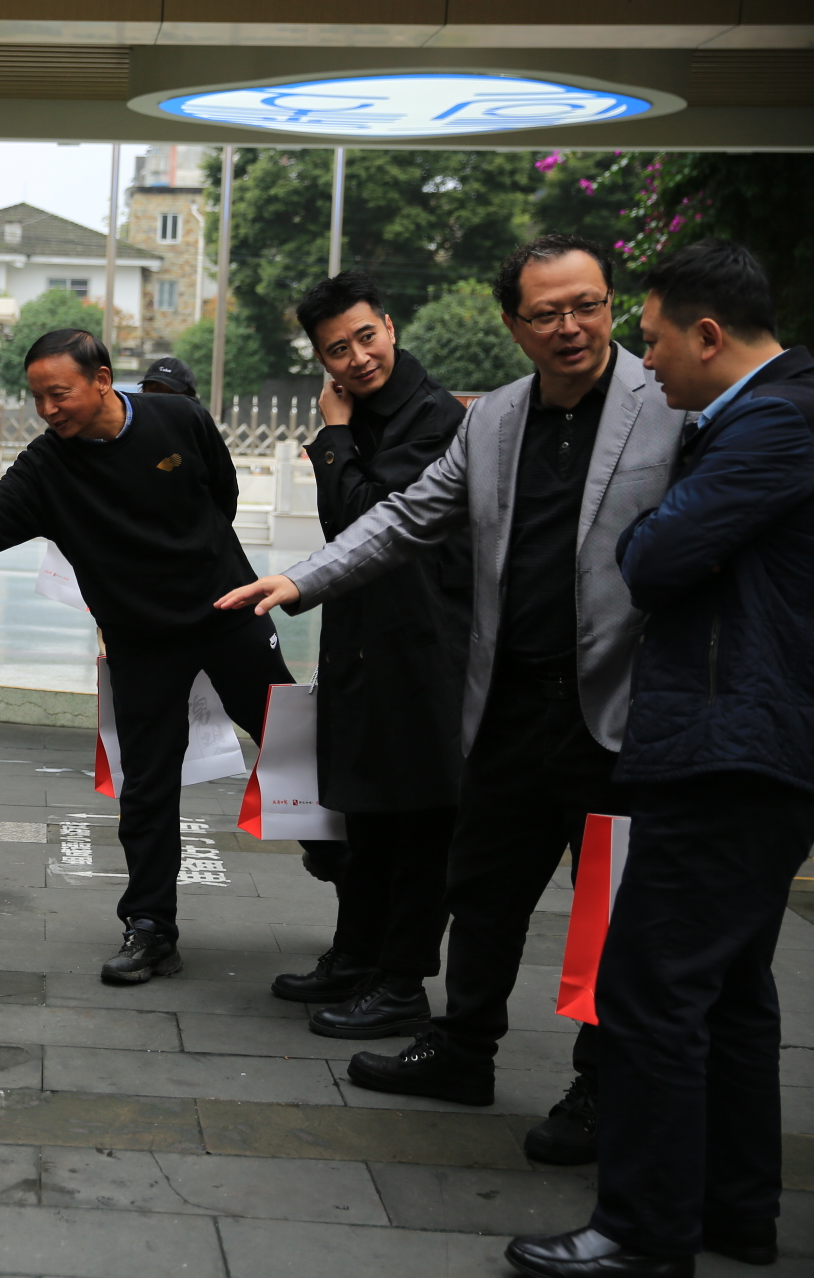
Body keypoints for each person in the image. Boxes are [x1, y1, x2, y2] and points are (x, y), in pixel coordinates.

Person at [216, 235, 685, 1164]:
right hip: (509, 702)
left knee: (610, 913)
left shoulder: (671, 406)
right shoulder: (497, 418)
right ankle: (464, 1050)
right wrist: (302, 582)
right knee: (483, 894)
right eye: (546, 312)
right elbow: (405, 516)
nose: (570, 327)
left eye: (586, 305)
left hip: (620, 712)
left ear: (611, 305)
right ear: (513, 324)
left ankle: (599, 1085)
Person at [507, 243, 814, 1277]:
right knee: (728, 991)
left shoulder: (775, 422)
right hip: (749, 741)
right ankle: (734, 1211)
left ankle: (642, 1233)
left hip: (729, 744)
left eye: (648, 340)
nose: (642, 365)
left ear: (706, 335)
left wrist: (664, 529)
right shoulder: (767, 417)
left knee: (651, 990)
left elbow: (649, 558)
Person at [0, 328, 297, 985]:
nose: (49, 409)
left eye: (59, 394)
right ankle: (151, 930)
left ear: (103, 380)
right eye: (38, 398)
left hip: (229, 613)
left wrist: (201, 564)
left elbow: (220, 497)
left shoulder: (179, 418)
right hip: (142, 639)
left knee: (290, 745)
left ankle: (346, 873)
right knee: (146, 784)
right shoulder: (48, 466)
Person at [267, 272, 471, 1041]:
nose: (356, 358)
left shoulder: (435, 419)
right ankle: (355, 957)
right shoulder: (371, 410)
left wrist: (333, 435)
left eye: (365, 337)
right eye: (336, 350)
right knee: (368, 817)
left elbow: (360, 521)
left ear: (389, 324)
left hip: (424, 651)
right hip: (365, 642)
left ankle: (402, 984)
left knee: (420, 821)